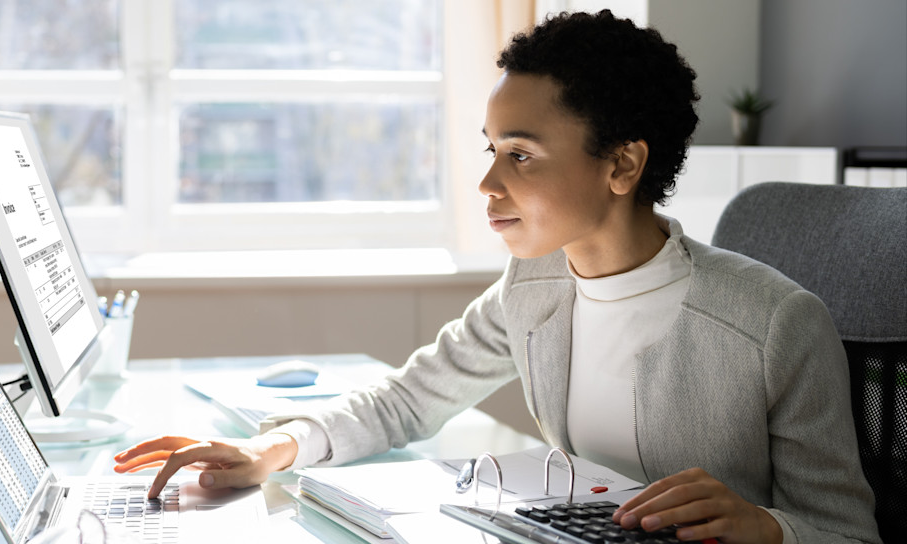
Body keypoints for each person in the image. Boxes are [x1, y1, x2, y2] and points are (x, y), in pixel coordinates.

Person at [113, 10, 880, 543]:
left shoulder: (777, 324)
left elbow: (847, 533)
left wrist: (766, 527)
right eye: (490, 150)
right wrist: (271, 450)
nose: (487, 184)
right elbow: (408, 399)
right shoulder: (534, 287)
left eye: (520, 155)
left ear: (622, 163)